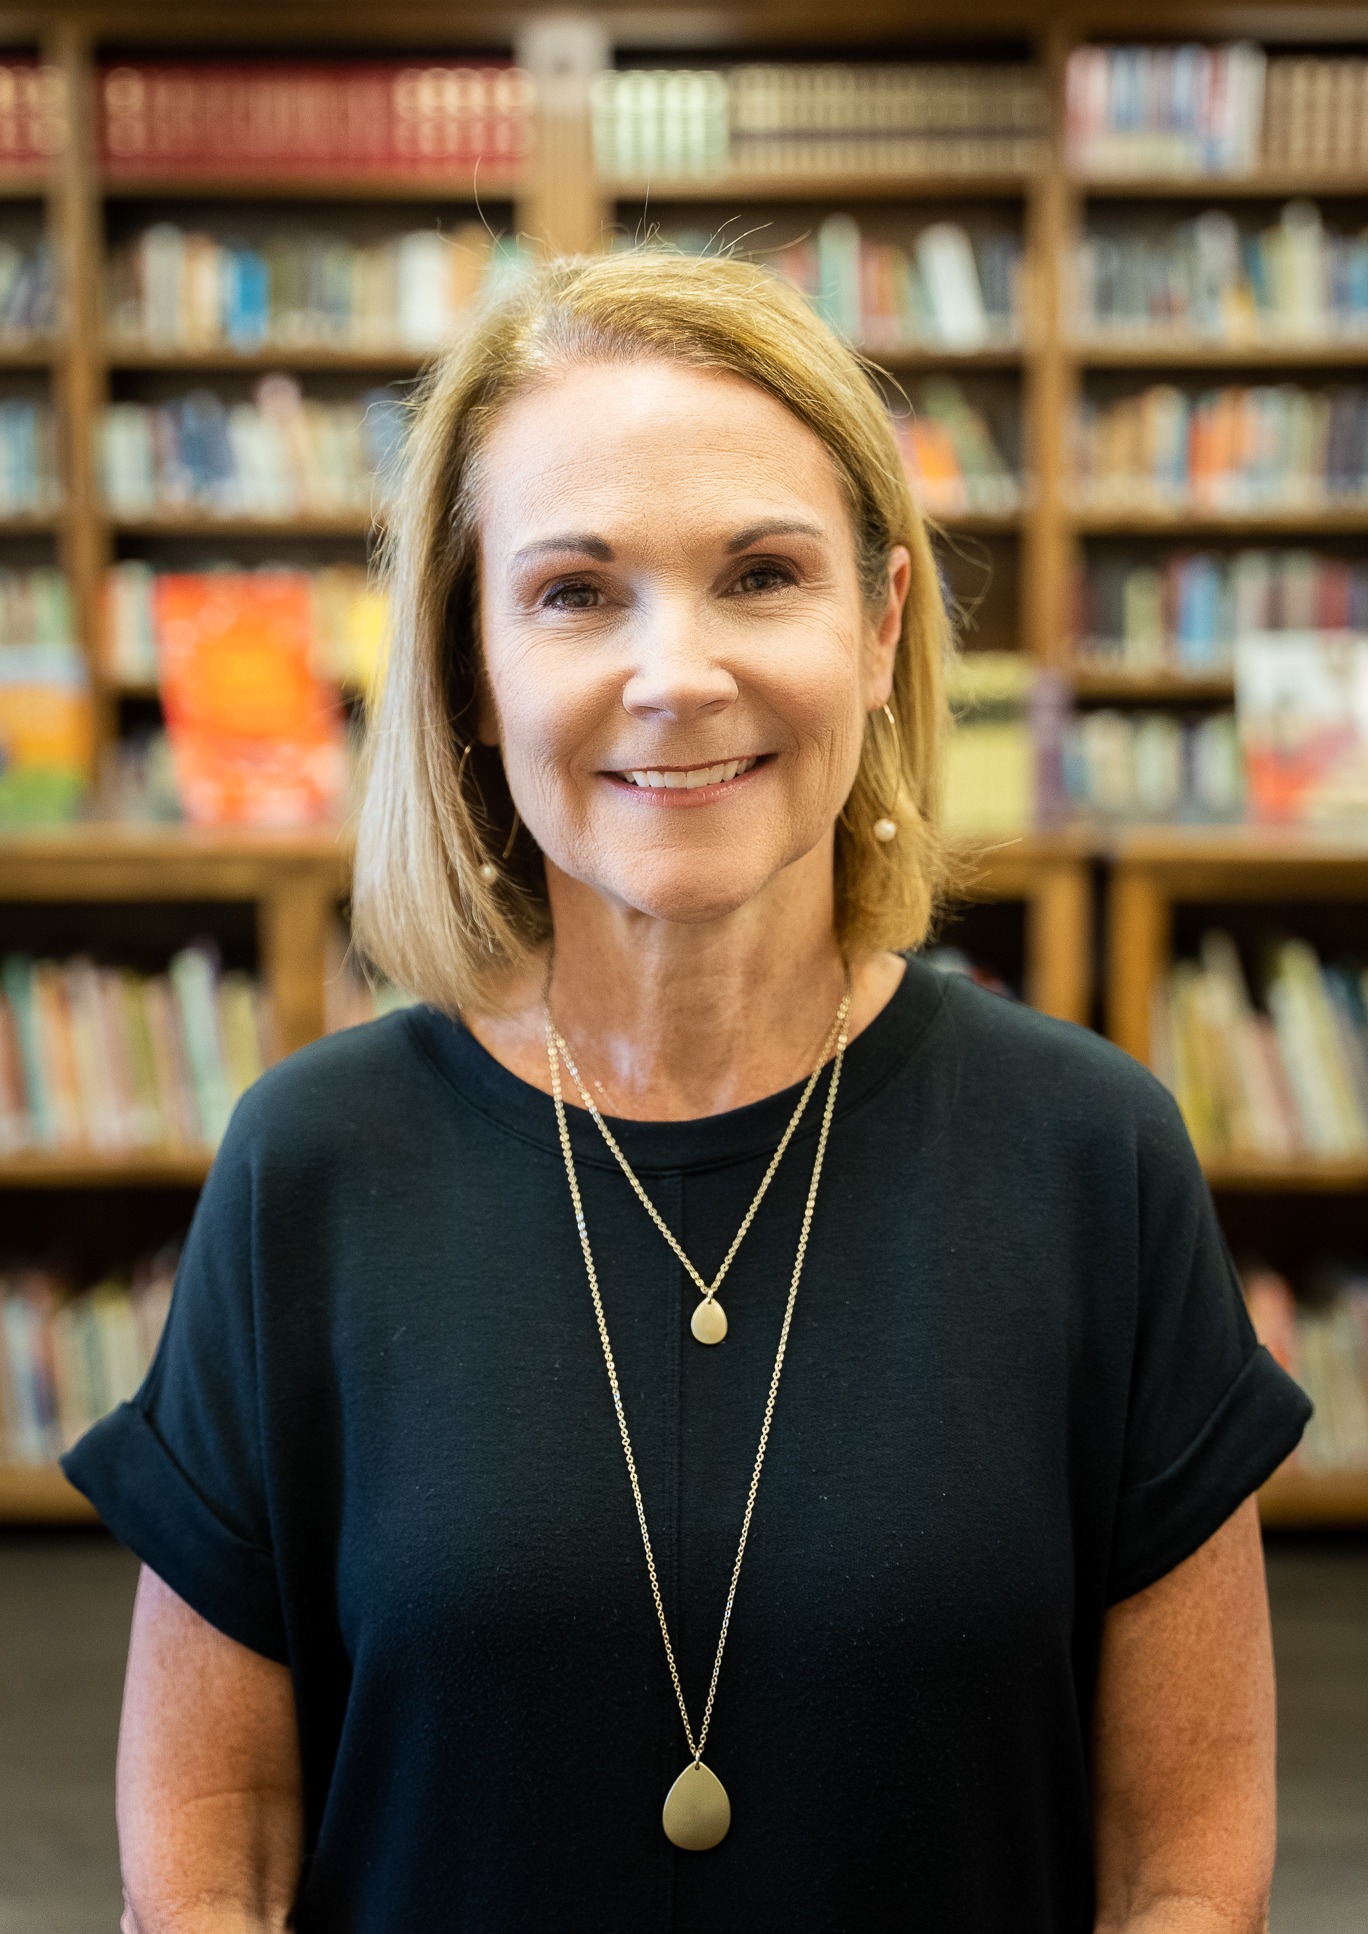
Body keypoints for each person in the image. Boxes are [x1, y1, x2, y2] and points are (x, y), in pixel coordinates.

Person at [65, 250, 1309, 1934]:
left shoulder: (1095, 1155)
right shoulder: (313, 1167)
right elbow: (216, 1845)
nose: (677, 675)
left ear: (880, 626)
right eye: (577, 592)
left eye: (761, 574)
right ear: (468, 666)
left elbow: (1187, 1854)